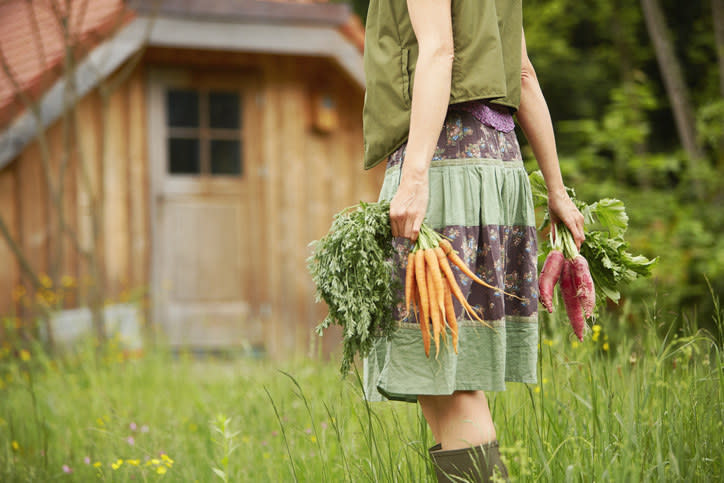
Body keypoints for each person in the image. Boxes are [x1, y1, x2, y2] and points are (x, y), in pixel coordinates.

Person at [361, 0, 585, 481]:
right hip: (499, 167)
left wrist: (415, 177)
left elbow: (439, 52)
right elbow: (522, 76)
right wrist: (558, 191)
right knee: (446, 379)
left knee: (447, 375)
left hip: (447, 168)